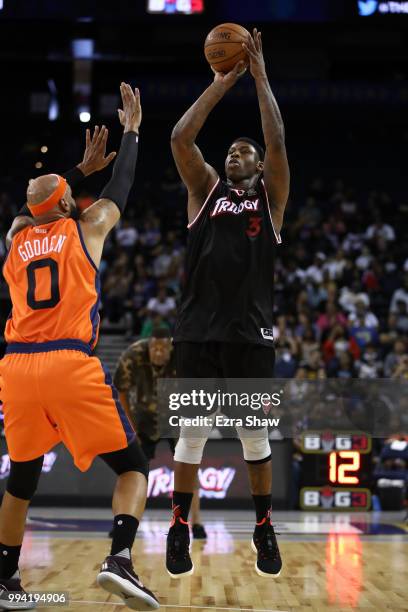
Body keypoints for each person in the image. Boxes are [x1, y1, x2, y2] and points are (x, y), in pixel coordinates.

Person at [0, 83, 159, 611]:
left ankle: (5, 582)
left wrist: (71, 175)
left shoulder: (16, 237)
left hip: (16, 367)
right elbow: (123, 185)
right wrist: (132, 132)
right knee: (135, 467)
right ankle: (119, 559)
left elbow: (37, 205)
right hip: (69, 360)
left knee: (21, 479)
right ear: (69, 204)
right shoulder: (87, 228)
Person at [167, 29, 289, 578]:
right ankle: (177, 526)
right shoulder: (205, 193)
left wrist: (260, 78)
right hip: (196, 331)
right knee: (191, 434)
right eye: (231, 151)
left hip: (250, 335)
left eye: (245, 152)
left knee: (253, 437)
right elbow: (179, 137)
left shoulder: (271, 196)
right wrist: (221, 84)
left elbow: (278, 142)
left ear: (258, 167)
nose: (235, 153)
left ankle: (263, 527)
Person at [113, 328, 207, 539]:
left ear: (169, 348)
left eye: (162, 349)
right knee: (132, 471)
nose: (158, 353)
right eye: (154, 348)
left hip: (177, 418)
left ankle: (197, 523)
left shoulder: (183, 355)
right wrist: (129, 425)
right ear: (149, 346)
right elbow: (120, 390)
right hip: (144, 419)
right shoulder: (133, 354)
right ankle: (123, 523)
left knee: (190, 469)